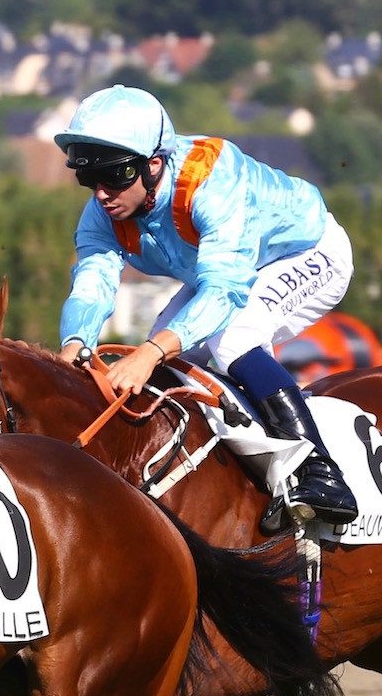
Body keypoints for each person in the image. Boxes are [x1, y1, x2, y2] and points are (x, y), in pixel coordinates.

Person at [56, 84, 357, 524]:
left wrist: (151, 349)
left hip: (309, 252)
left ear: (154, 165)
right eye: (89, 179)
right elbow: (92, 284)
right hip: (226, 272)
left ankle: (321, 472)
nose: (101, 194)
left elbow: (225, 291)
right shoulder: (104, 214)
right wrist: (74, 345)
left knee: (231, 339)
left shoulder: (211, 181)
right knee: (171, 365)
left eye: (115, 177)